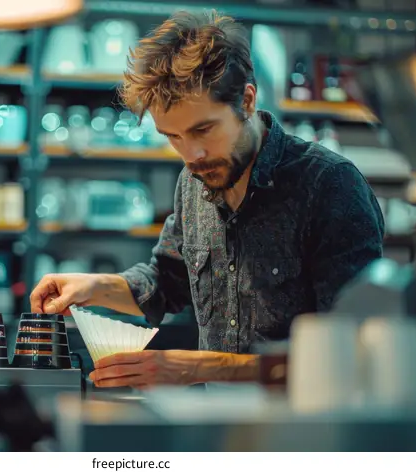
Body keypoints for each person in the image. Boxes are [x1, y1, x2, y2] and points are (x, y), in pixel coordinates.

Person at [30, 10, 385, 388]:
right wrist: (93, 287)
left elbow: (357, 350)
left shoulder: (328, 185)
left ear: (246, 101)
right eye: (174, 136)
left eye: (204, 129)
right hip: (218, 434)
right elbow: (167, 282)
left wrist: (201, 367)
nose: (192, 154)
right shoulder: (193, 182)